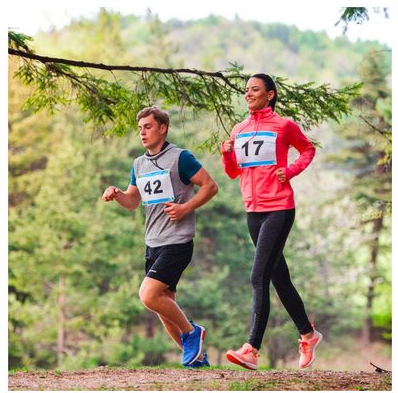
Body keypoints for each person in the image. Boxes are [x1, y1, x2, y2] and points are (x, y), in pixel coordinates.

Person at [103, 106, 218, 368]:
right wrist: (116, 193)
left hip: (177, 241)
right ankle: (197, 360)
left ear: (162, 128)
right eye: (140, 128)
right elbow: (133, 201)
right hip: (152, 242)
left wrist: (186, 207)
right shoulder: (139, 164)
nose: (142, 132)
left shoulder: (181, 158)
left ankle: (193, 332)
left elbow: (211, 186)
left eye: (148, 126)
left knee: (148, 295)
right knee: (164, 305)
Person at [221, 74, 323, 370]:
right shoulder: (239, 129)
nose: (248, 94)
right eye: (246, 90)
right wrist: (226, 155)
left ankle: (251, 349)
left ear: (270, 95)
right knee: (279, 277)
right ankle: (308, 333)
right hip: (253, 210)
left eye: (254, 90)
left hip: (279, 207)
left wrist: (289, 171)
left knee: (258, 275)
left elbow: (308, 149)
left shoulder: (283, 126)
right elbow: (233, 172)